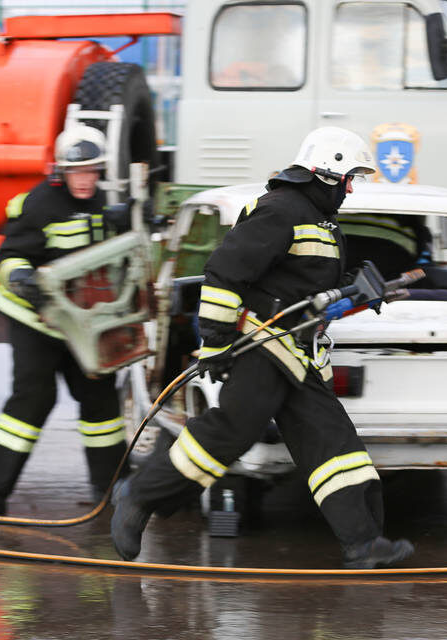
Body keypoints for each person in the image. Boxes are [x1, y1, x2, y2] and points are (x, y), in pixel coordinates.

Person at [111, 126, 416, 569]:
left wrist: (360, 292)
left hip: (298, 356)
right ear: (328, 173)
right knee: (231, 431)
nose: (351, 187)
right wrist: (214, 342)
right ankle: (138, 497)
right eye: (349, 177)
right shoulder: (282, 209)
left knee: (334, 446)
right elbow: (224, 273)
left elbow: (306, 291)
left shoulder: (320, 220)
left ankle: (363, 543)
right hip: (263, 347)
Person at [0, 123, 129, 516]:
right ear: (60, 171)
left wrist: (132, 219)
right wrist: (21, 276)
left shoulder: (105, 202)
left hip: (85, 325)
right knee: (32, 400)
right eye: (79, 172)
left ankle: (111, 490)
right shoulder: (37, 204)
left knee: (101, 404)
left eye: (93, 172)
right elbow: (5, 258)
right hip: (37, 322)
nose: (86, 180)